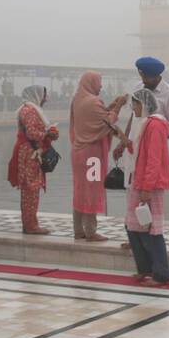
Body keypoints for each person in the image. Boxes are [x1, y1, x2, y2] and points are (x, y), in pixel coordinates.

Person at [115, 87, 169, 285]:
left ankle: (161, 273)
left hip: (150, 185)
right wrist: (123, 140)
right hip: (138, 181)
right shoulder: (144, 124)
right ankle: (145, 269)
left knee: (151, 230)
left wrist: (147, 188)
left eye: (135, 104)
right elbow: (138, 152)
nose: (133, 108)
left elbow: (154, 160)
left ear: (145, 104)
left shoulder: (155, 125)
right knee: (133, 226)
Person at [69, 71, 126, 241]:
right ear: (92, 83)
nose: (101, 85)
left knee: (80, 190)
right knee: (92, 190)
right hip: (91, 156)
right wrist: (119, 106)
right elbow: (108, 122)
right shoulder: (93, 102)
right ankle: (91, 231)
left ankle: (78, 230)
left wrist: (110, 106)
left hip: (78, 152)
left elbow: (98, 117)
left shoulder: (78, 100)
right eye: (99, 82)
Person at [9, 85, 58, 234]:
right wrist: (48, 134)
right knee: (30, 189)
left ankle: (30, 223)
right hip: (29, 153)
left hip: (30, 152)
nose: (45, 99)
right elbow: (31, 133)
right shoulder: (29, 110)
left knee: (31, 189)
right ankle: (31, 225)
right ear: (36, 95)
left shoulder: (29, 109)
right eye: (43, 96)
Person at [131, 57, 169, 139]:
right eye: (142, 77)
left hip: (154, 147)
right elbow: (133, 116)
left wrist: (155, 140)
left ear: (156, 76)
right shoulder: (138, 87)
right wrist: (124, 142)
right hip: (134, 144)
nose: (143, 81)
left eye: (146, 78)